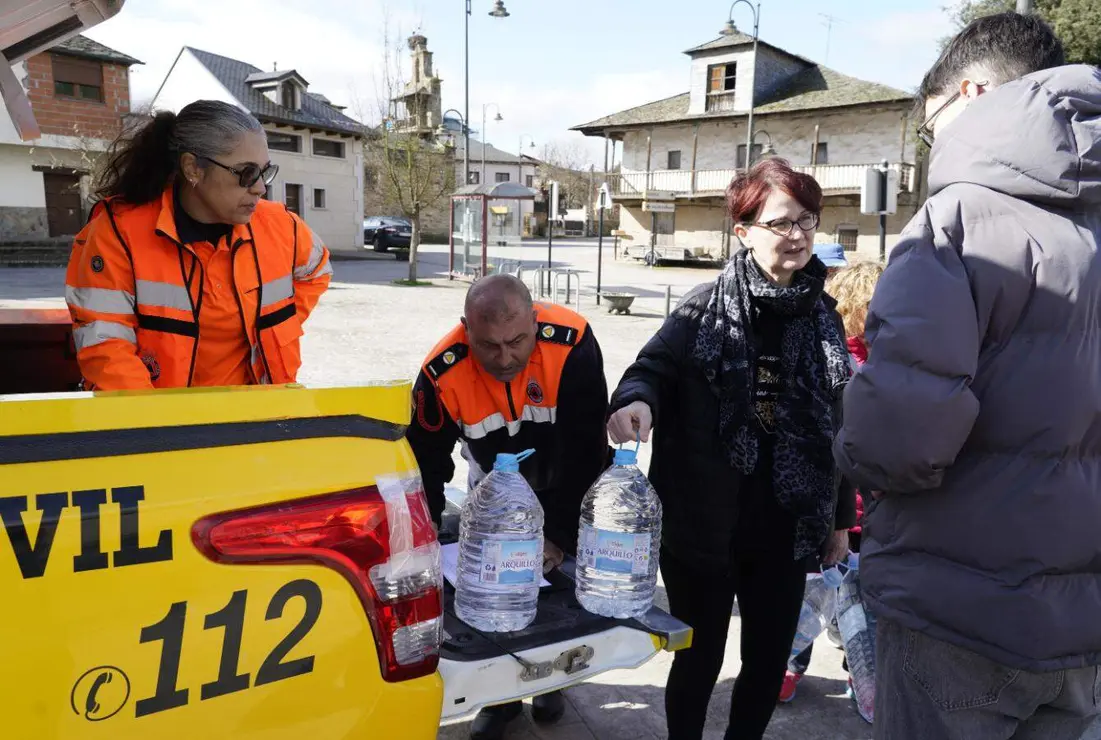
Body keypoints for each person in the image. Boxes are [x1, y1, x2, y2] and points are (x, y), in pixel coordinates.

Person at [833, 13, 1101, 740]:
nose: (933, 144)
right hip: (1081, 624)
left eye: (930, 125)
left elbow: (899, 439)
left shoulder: (956, 221)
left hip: (958, 613)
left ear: (972, 92)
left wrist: (848, 452)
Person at [606, 158, 856, 740]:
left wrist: (839, 518)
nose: (796, 235)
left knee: (768, 662)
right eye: (781, 222)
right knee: (699, 658)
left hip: (788, 524)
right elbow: (650, 369)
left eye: (806, 221)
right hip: (703, 523)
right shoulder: (702, 309)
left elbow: (839, 424)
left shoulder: (824, 317)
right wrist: (637, 402)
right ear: (743, 231)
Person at [406, 274, 609, 740]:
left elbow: (585, 450)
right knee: (499, 596)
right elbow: (426, 469)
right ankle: (502, 698)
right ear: (465, 329)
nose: (504, 358)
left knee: (560, 595)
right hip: (497, 491)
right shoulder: (440, 371)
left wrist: (558, 536)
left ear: (535, 321)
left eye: (517, 341)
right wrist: (425, 541)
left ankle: (557, 676)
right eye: (487, 345)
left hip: (567, 483)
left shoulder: (572, 343)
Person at [65, 100, 331, 390]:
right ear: (193, 168)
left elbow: (317, 271)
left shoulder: (281, 226)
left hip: (259, 410)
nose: (260, 187)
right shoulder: (117, 233)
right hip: (160, 419)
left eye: (264, 172)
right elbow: (106, 345)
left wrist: (277, 327)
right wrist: (157, 426)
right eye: (246, 173)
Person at [779, 259, 883, 704]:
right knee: (860, 606)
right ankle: (858, 671)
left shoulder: (832, 355)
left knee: (809, 600)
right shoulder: (875, 367)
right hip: (862, 509)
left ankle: (788, 668)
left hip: (833, 505)